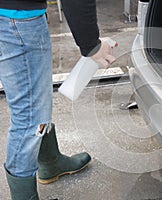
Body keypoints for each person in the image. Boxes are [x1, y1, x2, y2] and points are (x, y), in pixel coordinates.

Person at [0, 0, 116, 199]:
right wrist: (92, 45)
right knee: (29, 119)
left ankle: (50, 162)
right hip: (15, 21)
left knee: (35, 100)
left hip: (14, 18)